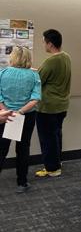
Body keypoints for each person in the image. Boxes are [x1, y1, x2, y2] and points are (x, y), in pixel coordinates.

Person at [0, 46, 41, 192]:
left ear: (13, 57)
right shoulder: (34, 75)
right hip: (27, 115)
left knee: (1, 148)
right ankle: (22, 183)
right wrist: (20, 112)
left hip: (5, 115)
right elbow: (35, 98)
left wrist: (6, 110)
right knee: (23, 148)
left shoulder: (2, 73)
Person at [35, 29, 71, 178]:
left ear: (50, 43)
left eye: (44, 41)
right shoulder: (66, 57)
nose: (43, 44)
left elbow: (38, 80)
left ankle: (52, 168)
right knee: (56, 135)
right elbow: (49, 75)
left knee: (47, 138)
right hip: (61, 106)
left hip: (48, 107)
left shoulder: (50, 61)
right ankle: (56, 163)